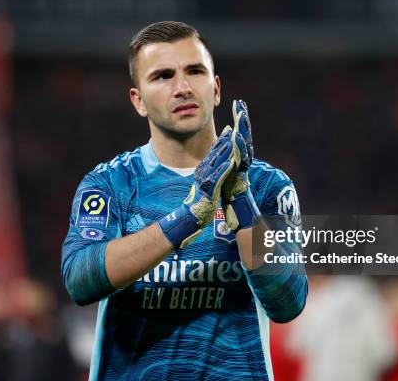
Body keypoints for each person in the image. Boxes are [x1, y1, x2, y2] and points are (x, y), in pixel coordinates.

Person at [61, 21, 307, 380]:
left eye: (195, 71)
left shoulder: (267, 185)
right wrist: (188, 217)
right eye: (162, 76)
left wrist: (240, 200)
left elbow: (288, 302)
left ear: (216, 88)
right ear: (138, 100)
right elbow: (81, 280)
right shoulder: (111, 184)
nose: (182, 88)